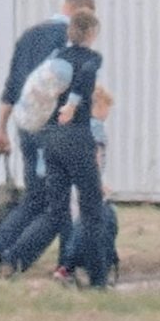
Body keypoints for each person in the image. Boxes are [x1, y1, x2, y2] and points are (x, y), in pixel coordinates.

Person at [0, 0, 96, 277]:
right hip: (55, 130)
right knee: (59, 204)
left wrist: (1, 129)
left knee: (36, 198)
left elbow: (12, 87)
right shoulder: (70, 41)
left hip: (25, 124)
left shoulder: (29, 35)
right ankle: (27, 263)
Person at [0, 8, 108, 288]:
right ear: (93, 34)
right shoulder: (91, 58)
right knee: (91, 210)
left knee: (57, 211)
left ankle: (14, 259)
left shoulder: (56, 58)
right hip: (76, 138)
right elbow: (86, 75)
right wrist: (73, 104)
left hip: (51, 139)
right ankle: (96, 278)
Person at [56, 84, 115, 283]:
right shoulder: (96, 127)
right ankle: (70, 266)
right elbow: (94, 155)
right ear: (97, 106)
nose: (108, 113)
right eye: (107, 107)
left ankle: (72, 267)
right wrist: (98, 182)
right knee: (89, 225)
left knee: (78, 223)